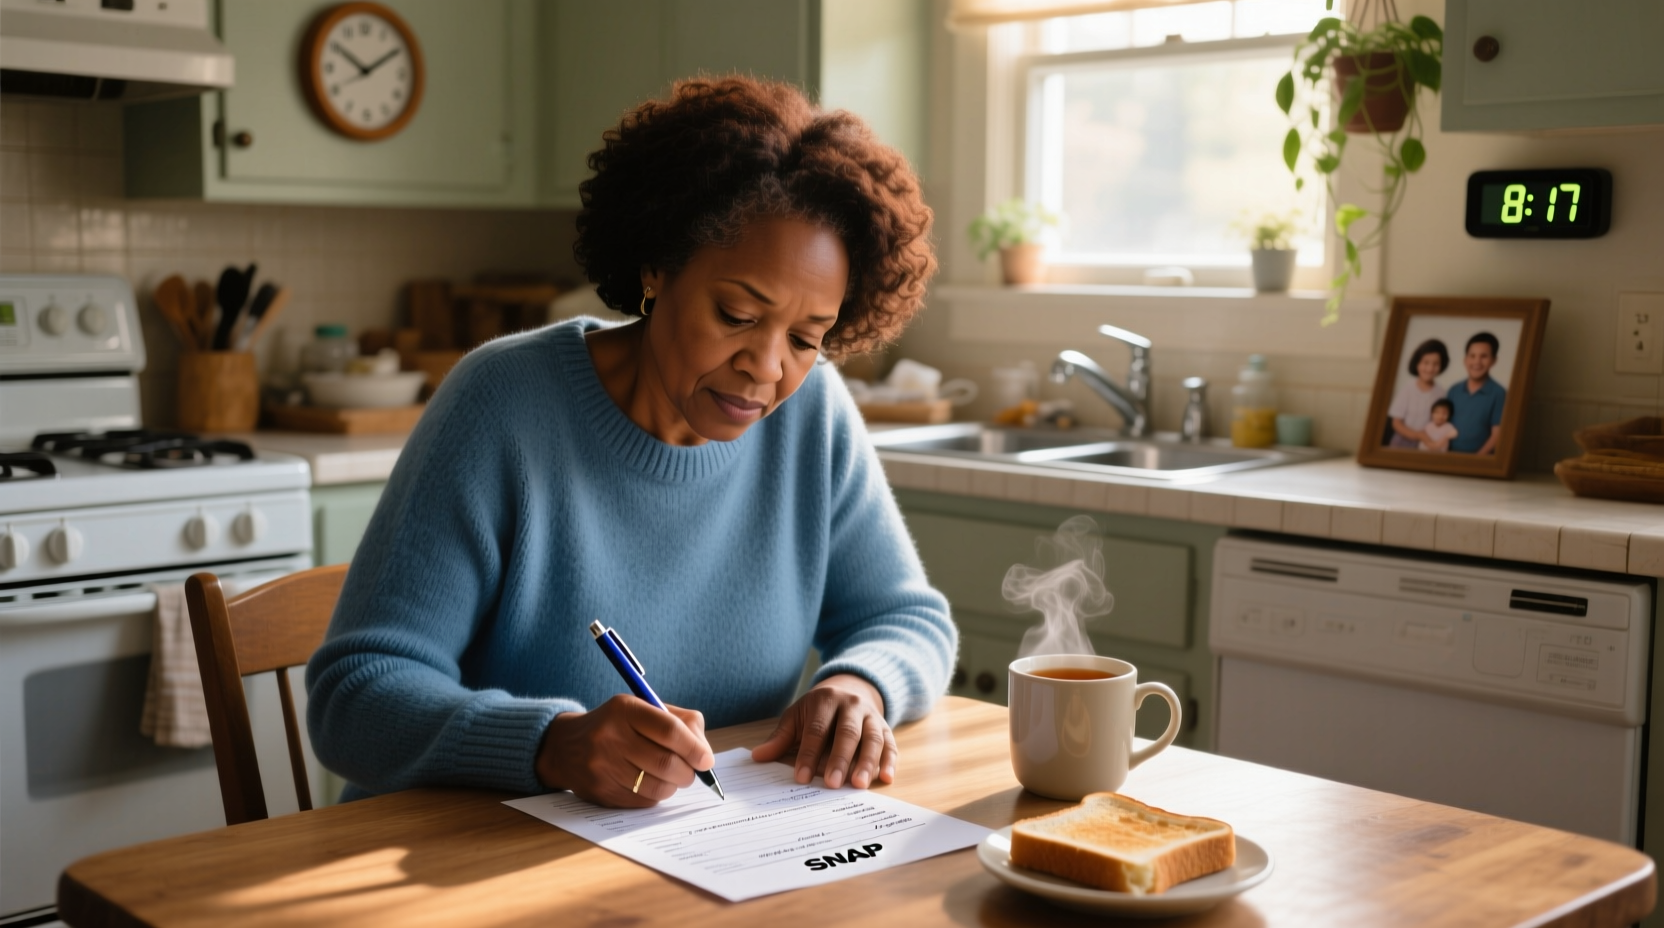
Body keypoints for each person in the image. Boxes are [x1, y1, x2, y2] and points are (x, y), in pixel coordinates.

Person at [306, 77, 956, 810]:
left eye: (808, 338)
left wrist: (858, 685)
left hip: (695, 860)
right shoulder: (503, 404)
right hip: (451, 866)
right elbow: (352, 700)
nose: (768, 368)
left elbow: (906, 620)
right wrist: (552, 745)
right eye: (737, 314)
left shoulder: (813, 415)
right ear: (657, 265)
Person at [1444, 332, 1506, 454]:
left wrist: (1476, 460)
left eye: (1484, 356)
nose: (1477, 361)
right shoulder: (1454, 390)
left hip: (1479, 460)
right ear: (1465, 360)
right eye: (1472, 356)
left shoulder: (1499, 393)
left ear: (1493, 360)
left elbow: (1497, 435)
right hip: (1449, 457)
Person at [1386, 338, 1448, 449]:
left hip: (1425, 446)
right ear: (1417, 363)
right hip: (1400, 444)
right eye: (1426, 362)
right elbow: (1396, 423)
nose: (1430, 368)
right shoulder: (1407, 389)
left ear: (1442, 366)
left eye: (1436, 364)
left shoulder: (1441, 393)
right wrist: (1418, 435)